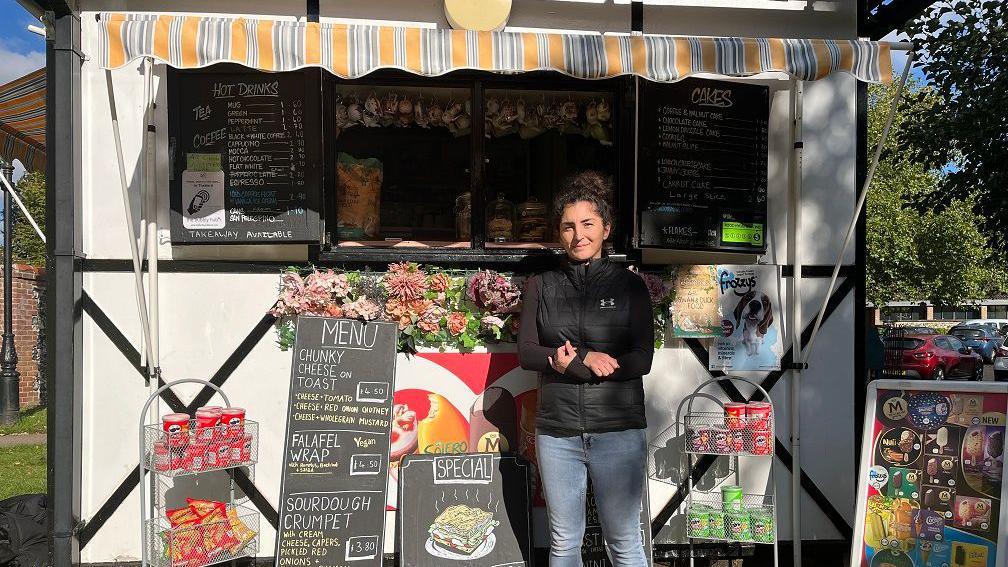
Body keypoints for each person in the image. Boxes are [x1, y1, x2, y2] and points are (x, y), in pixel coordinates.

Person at [518, 171, 654, 567]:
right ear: (558, 233)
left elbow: (641, 359)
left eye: (588, 224)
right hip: (558, 431)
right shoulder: (541, 286)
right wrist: (580, 362)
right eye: (568, 226)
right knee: (563, 543)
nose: (578, 235)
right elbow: (526, 353)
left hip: (619, 430)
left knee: (624, 541)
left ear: (606, 229)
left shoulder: (630, 287)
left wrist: (583, 360)